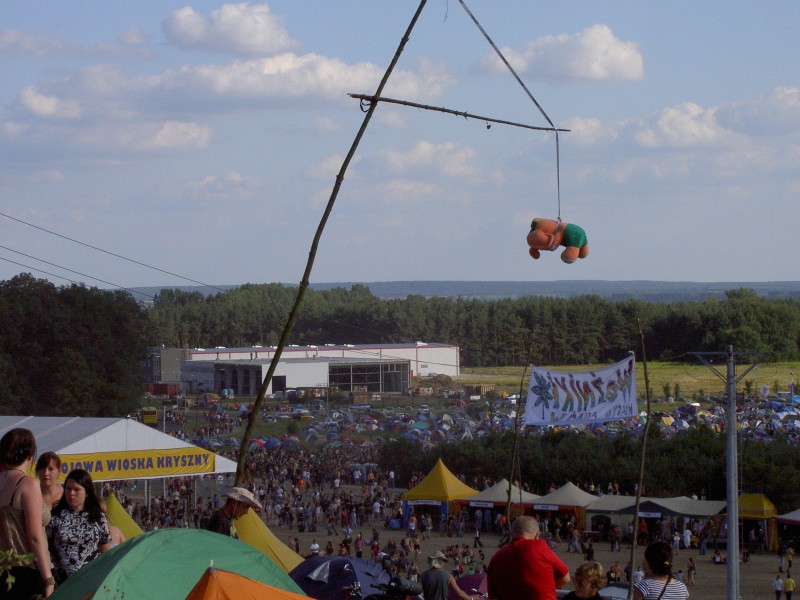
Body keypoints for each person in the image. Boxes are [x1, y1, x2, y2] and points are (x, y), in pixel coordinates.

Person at [0, 428, 55, 599]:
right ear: (30, 455)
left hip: (4, 570)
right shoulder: (28, 484)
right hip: (29, 571)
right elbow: (35, 537)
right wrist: (48, 579)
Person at [46, 469, 111, 584]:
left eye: (76, 490)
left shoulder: (98, 517)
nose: (71, 493)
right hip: (63, 583)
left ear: (87, 492)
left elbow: (106, 549)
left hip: (91, 580)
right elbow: (47, 548)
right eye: (68, 488)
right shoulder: (55, 517)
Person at [487, 516, 570, 600]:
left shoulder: (498, 557)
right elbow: (566, 578)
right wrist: (545, 587)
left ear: (512, 534)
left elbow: (493, 595)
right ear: (537, 535)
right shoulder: (540, 549)